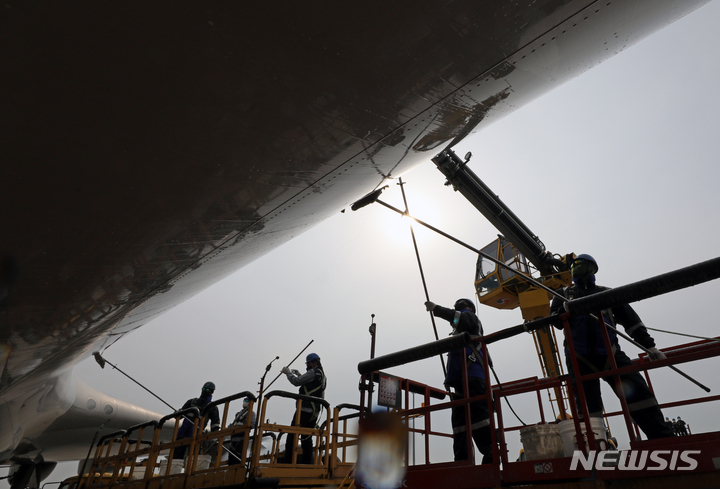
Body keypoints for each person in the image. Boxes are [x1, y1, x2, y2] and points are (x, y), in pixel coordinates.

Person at [550, 254, 674, 440]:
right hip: (578, 358)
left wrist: (650, 347)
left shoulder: (607, 293)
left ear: (593, 269)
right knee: (587, 409)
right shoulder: (563, 295)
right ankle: (595, 447)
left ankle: (664, 440)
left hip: (610, 354)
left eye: (583, 265)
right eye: (575, 265)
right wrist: (562, 312)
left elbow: (631, 321)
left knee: (640, 395)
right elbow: (555, 322)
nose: (578, 268)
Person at [425, 298, 493, 464]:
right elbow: (456, 320)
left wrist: (437, 309)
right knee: (460, 423)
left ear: (469, 309)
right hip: (463, 381)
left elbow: (458, 318)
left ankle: (490, 456)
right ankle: (463, 461)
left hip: (473, 378)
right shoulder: (462, 330)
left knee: (479, 419)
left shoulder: (470, 318)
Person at [279, 353, 327, 464]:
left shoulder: (313, 372)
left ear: (315, 363)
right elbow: (313, 387)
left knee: (292, 435)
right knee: (307, 437)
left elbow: (296, 382)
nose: (308, 365)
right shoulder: (322, 375)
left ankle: (287, 462)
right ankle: (307, 463)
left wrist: (288, 373)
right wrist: (300, 374)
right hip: (314, 412)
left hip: (304, 409)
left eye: (309, 363)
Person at [173, 381, 221, 459]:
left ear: (212, 392)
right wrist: (177, 413)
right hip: (182, 435)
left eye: (207, 390)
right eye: (204, 389)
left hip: (197, 437)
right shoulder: (191, 402)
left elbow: (215, 424)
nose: (204, 391)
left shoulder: (212, 407)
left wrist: (214, 436)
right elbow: (179, 415)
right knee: (175, 458)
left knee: (193, 460)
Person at [227, 397, 257, 465]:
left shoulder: (251, 413)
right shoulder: (239, 413)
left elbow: (252, 425)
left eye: (246, 400)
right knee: (231, 459)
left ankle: (237, 472)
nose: (245, 402)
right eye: (244, 400)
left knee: (238, 458)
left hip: (241, 439)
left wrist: (242, 427)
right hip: (234, 439)